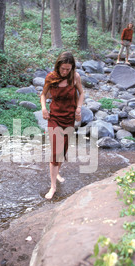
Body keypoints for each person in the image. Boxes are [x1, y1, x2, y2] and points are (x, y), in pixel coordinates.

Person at [41, 52, 84, 200]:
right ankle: (52, 186)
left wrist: (79, 108)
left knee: (63, 150)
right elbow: (43, 95)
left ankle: (57, 172)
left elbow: (82, 93)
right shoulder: (51, 77)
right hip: (54, 118)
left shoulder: (75, 77)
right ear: (58, 66)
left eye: (68, 69)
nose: (65, 72)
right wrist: (43, 108)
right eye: (63, 69)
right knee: (56, 151)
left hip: (69, 118)